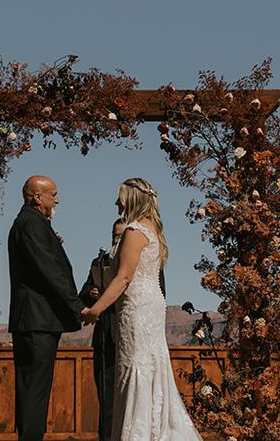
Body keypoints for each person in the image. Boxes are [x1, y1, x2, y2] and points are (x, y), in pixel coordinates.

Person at [80, 178, 199, 440]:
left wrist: (95, 310)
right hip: (151, 303)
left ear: (131, 199)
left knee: (135, 365)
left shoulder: (134, 231)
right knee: (148, 364)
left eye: (119, 198)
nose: (116, 203)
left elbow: (124, 277)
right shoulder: (153, 229)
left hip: (137, 308)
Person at [6, 175, 88, 441]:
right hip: (36, 321)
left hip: (35, 321)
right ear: (37, 197)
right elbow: (48, 269)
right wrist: (77, 306)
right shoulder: (30, 224)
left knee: (32, 390)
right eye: (53, 194)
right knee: (34, 391)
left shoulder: (33, 223)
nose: (57, 199)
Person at [80, 218, 166, 441]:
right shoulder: (99, 261)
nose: (117, 240)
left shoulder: (146, 257)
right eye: (114, 236)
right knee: (107, 397)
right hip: (106, 335)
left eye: (121, 236)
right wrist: (93, 295)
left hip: (134, 331)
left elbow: (156, 291)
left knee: (135, 393)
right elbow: (85, 292)